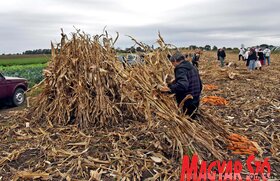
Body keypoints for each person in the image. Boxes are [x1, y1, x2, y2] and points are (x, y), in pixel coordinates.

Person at [161, 51, 202, 118]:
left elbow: (182, 86)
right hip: (196, 98)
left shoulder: (180, 69)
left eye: (172, 63)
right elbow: (200, 83)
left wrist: (169, 88)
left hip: (187, 101)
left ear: (175, 60)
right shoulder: (192, 66)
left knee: (187, 120)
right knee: (193, 119)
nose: (172, 65)